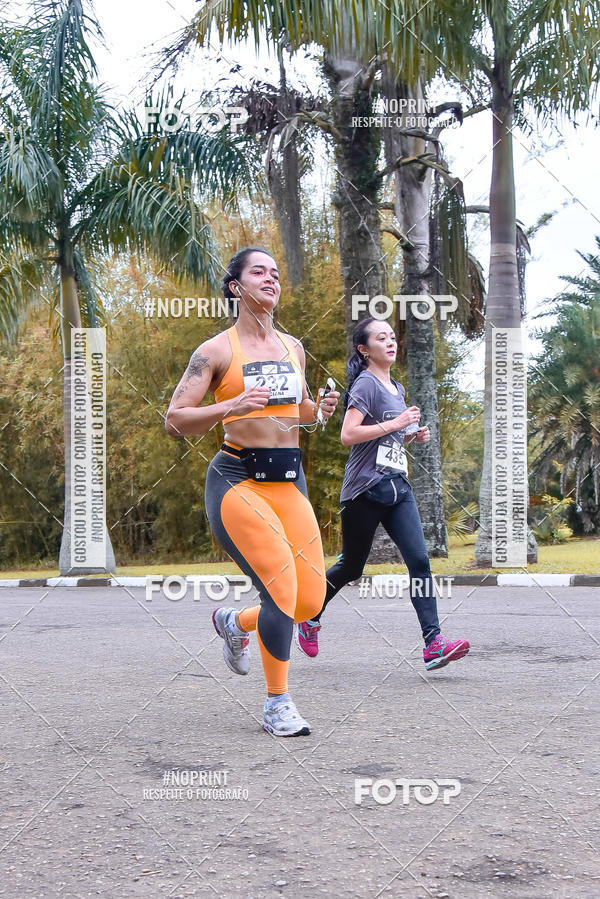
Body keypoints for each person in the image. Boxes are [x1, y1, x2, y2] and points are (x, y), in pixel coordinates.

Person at [165, 247, 339, 736]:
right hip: (237, 479)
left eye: (276, 273)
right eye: (258, 271)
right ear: (235, 286)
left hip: (289, 480)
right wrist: (233, 404)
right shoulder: (215, 351)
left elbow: (298, 412)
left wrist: (320, 408)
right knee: (281, 590)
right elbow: (175, 420)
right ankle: (278, 702)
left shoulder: (293, 347)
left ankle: (233, 622)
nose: (270, 278)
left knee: (309, 601)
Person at [296, 317, 469, 670]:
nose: (390, 342)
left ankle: (433, 643)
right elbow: (349, 434)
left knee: (419, 562)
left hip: (397, 487)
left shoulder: (397, 389)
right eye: (381, 338)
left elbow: (385, 437)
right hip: (364, 490)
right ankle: (309, 616)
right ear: (364, 349)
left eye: (392, 336)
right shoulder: (365, 384)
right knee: (351, 566)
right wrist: (396, 424)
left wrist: (409, 436)